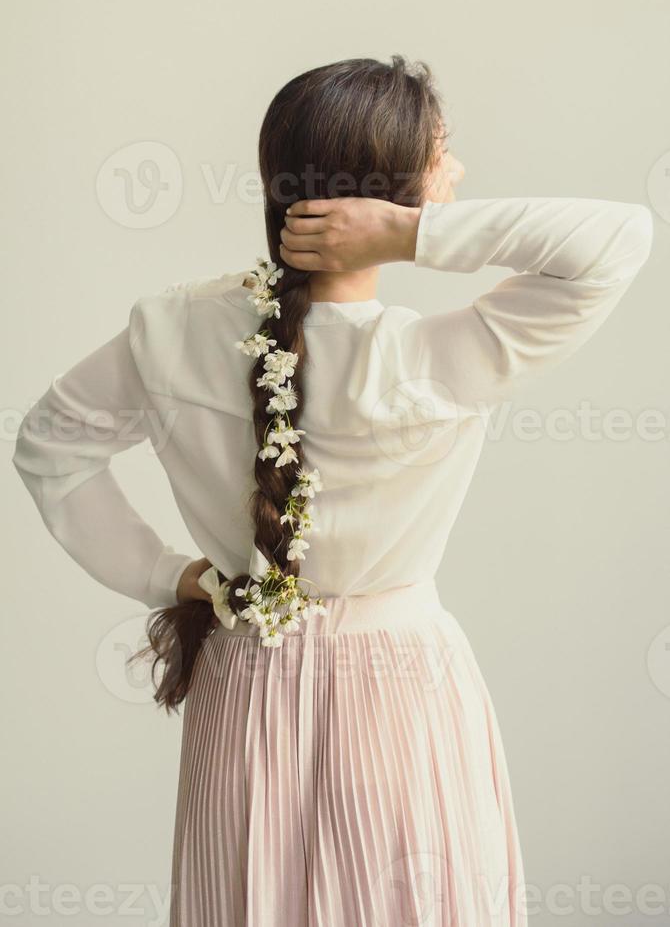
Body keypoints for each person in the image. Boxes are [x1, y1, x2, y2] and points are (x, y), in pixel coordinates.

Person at [12, 55, 653, 927]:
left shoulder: (174, 329)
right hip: (402, 694)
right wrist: (410, 237)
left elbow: (49, 444)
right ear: (388, 194)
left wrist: (176, 577)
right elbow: (620, 238)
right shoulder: (435, 358)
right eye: (442, 156)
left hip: (245, 684)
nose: (457, 172)